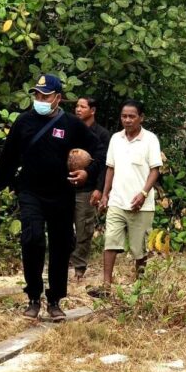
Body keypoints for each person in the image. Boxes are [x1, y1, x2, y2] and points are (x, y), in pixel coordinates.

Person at [0, 74, 102, 321]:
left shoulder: (71, 124)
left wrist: (87, 172)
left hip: (62, 194)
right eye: (37, 94)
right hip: (30, 192)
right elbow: (8, 158)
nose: (40, 99)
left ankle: (55, 300)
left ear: (57, 98)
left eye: (45, 96)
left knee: (61, 245)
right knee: (32, 239)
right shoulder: (24, 122)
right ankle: (33, 296)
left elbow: (100, 151)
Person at [92, 100, 162, 295]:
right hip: (117, 201)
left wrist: (143, 193)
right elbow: (110, 168)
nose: (128, 120)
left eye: (132, 116)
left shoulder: (150, 140)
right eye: (124, 116)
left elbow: (155, 170)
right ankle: (106, 286)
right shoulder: (116, 138)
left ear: (141, 118)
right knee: (110, 241)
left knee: (140, 249)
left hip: (141, 205)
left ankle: (139, 287)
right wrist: (105, 195)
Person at [71, 96, 110, 281]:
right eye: (77, 106)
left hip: (88, 189)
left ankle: (79, 268)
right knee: (62, 227)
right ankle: (64, 262)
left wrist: (99, 189)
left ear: (92, 110)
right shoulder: (70, 129)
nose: (78, 109)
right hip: (66, 187)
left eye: (82, 106)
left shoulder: (102, 134)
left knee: (84, 229)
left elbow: (105, 164)